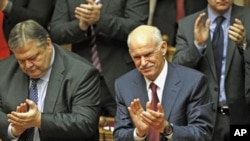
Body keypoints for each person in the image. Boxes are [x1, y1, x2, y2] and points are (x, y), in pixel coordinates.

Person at [0, 20, 101, 141]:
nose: (27, 66)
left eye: (32, 58)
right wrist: (13, 128)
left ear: (48, 44)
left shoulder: (82, 73)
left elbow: (85, 123)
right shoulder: (4, 70)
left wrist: (39, 120)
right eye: (21, 60)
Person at [113, 25, 214, 141]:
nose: (143, 62)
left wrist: (166, 128)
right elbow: (119, 135)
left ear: (163, 48)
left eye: (148, 55)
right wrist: (139, 133)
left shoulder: (194, 82)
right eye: (136, 57)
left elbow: (202, 134)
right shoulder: (124, 85)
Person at [49, 0, 148, 117]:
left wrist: (100, 20)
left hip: (121, 75)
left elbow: (138, 28)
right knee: (81, 130)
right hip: (82, 80)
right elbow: (55, 32)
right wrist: (80, 26)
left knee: (128, 131)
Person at [172, 1, 250, 141]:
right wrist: (197, 47)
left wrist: (245, 46)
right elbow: (177, 71)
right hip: (203, 119)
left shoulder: (248, 18)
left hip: (242, 117)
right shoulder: (188, 24)